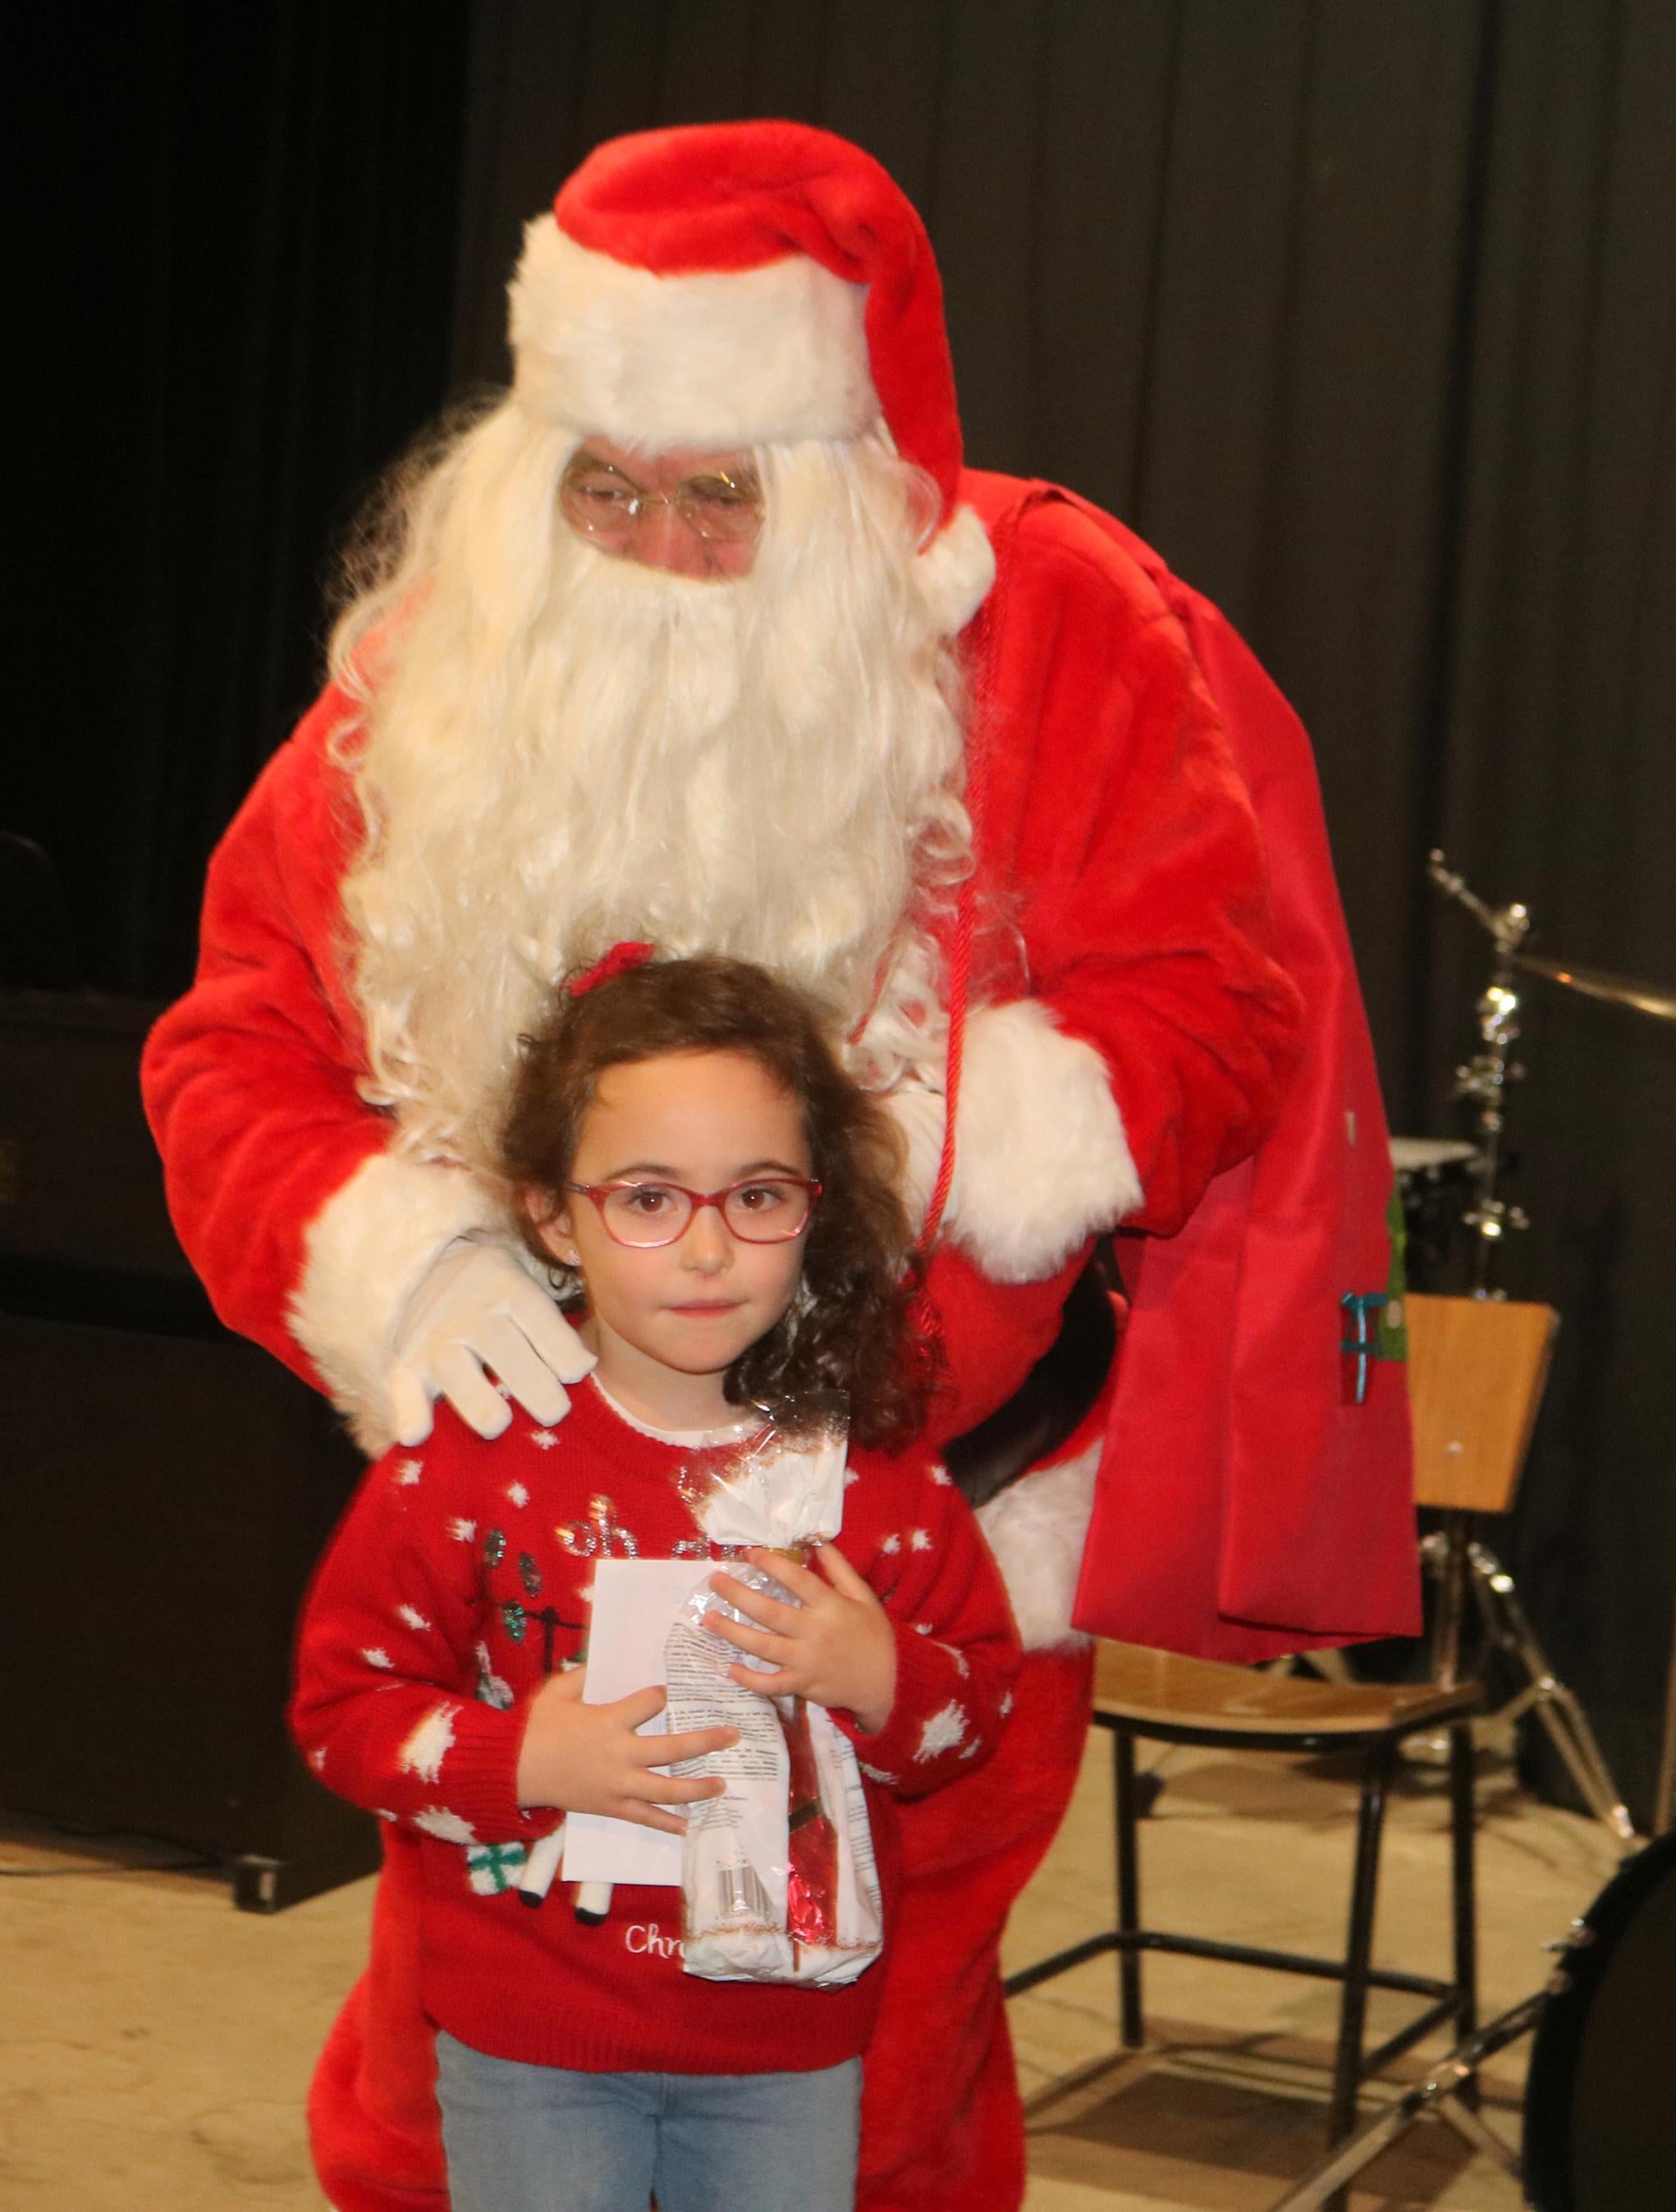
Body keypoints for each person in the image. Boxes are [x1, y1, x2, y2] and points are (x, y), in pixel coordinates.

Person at [144, 121, 1413, 2211]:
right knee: (456, 2094)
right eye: (604, 484)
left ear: (833, 483)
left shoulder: (1052, 622)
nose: (649, 545)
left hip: (913, 1553)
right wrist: (402, 1265)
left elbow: (1213, 993)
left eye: (717, 494)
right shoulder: (447, 667)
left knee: (863, 2119)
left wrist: (989, 1159)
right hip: (524, 1545)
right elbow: (238, 1044)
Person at [288, 952, 1020, 2212]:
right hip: (532, 2041)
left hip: (786, 2043)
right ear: (551, 1215)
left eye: (757, 1196)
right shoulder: (470, 1454)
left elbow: (978, 1706)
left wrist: (880, 1675)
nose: (705, 1249)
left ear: (818, 1205)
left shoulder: (877, 1471)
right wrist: (517, 1761)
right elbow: (344, 1711)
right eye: (646, 1199)